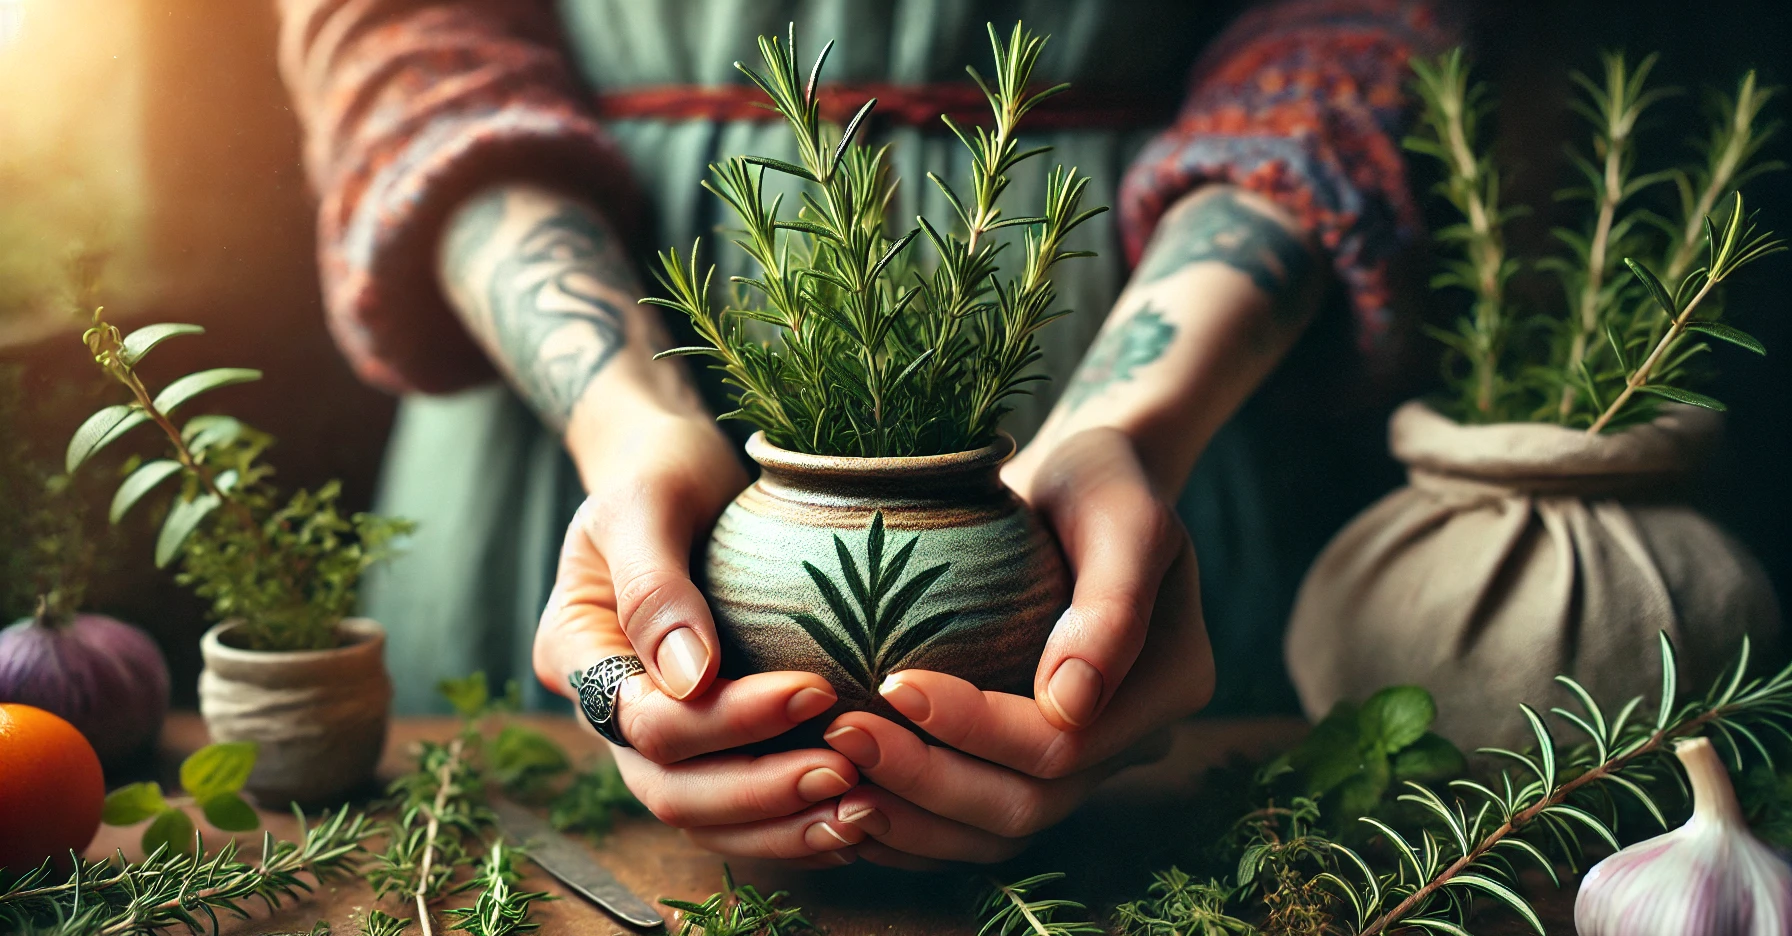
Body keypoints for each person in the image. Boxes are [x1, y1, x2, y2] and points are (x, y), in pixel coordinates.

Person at [278, 0, 1456, 868]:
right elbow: (406, 40)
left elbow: (1349, 29)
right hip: (567, 386)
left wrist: (1129, 432)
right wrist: (627, 429)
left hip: (1182, 369)